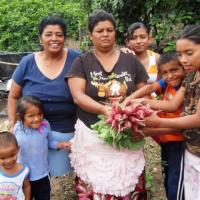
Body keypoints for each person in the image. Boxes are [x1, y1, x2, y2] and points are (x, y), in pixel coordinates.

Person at [66, 10, 149, 199]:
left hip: (126, 135)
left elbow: (144, 93)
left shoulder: (130, 60)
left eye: (109, 30)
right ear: (90, 35)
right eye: (99, 30)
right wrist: (106, 110)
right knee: (95, 187)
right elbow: (78, 96)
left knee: (128, 185)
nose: (105, 34)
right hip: (91, 135)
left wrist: (129, 117)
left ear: (115, 33)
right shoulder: (82, 62)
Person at [7, 15, 80, 176]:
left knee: (59, 174)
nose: (54, 38)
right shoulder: (28, 62)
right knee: (29, 175)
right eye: (48, 34)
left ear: (64, 38)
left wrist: (124, 52)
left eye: (59, 35)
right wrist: (13, 125)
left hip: (64, 130)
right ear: (40, 38)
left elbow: (99, 63)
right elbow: (13, 97)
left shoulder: (76, 59)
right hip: (29, 132)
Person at [140, 25, 200, 200]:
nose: (183, 60)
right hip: (192, 149)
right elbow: (173, 104)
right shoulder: (191, 76)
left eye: (189, 53)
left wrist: (156, 123)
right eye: (180, 54)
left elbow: (197, 118)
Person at [127, 52, 185, 199]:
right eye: (164, 72)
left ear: (184, 68)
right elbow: (148, 88)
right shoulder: (166, 83)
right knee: (167, 179)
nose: (170, 76)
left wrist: (143, 102)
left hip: (179, 143)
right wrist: (125, 102)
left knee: (176, 184)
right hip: (167, 142)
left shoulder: (184, 87)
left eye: (174, 70)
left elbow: (172, 106)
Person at [13, 95, 71, 200]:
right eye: (31, 116)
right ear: (21, 116)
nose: (37, 119)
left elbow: (50, 142)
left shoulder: (45, 125)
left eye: (39, 114)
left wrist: (60, 145)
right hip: (23, 176)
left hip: (42, 175)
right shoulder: (17, 128)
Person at [0, 131, 31, 200]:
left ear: (18, 150)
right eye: (2, 158)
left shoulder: (23, 171)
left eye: (12, 155)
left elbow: (26, 187)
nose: (8, 161)